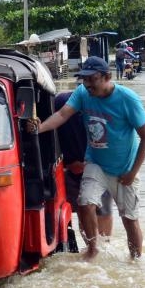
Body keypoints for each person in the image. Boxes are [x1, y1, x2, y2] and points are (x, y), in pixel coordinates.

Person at [29, 56, 145, 260]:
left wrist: (133, 172)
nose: (87, 84)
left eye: (92, 79)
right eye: (84, 79)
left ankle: (136, 260)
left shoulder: (128, 99)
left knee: (129, 219)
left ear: (107, 77)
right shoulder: (83, 93)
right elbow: (62, 115)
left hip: (125, 168)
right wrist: (39, 128)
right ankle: (93, 250)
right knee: (85, 203)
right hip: (96, 163)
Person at [54, 91, 113, 239]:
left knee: (96, 210)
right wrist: (68, 165)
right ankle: (95, 249)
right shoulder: (62, 103)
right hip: (73, 168)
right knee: (88, 210)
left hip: (98, 167)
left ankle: (98, 248)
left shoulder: (103, 109)